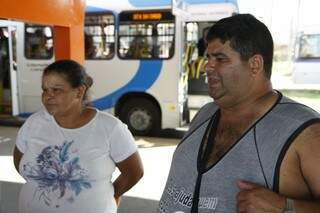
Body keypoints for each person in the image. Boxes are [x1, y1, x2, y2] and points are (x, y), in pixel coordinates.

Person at [158, 14, 320, 213]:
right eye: (208, 58)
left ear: (255, 65)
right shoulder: (205, 114)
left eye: (220, 59)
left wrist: (285, 207)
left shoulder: (305, 132)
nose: (207, 66)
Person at [13, 59, 144, 213]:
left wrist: (109, 195)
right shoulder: (34, 123)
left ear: (79, 91)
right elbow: (19, 162)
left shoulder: (110, 128)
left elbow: (134, 172)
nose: (48, 96)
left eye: (56, 90)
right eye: (45, 90)